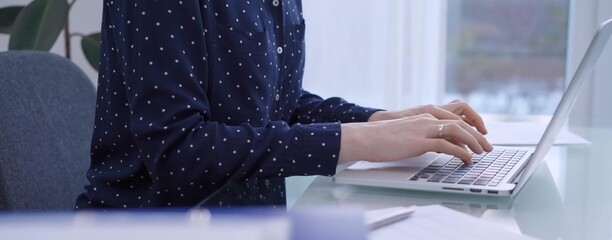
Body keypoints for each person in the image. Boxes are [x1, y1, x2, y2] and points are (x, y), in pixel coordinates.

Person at [75, 0, 493, 209]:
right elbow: (179, 151)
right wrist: (359, 140)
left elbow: (278, 105)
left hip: (256, 223)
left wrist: (382, 121)